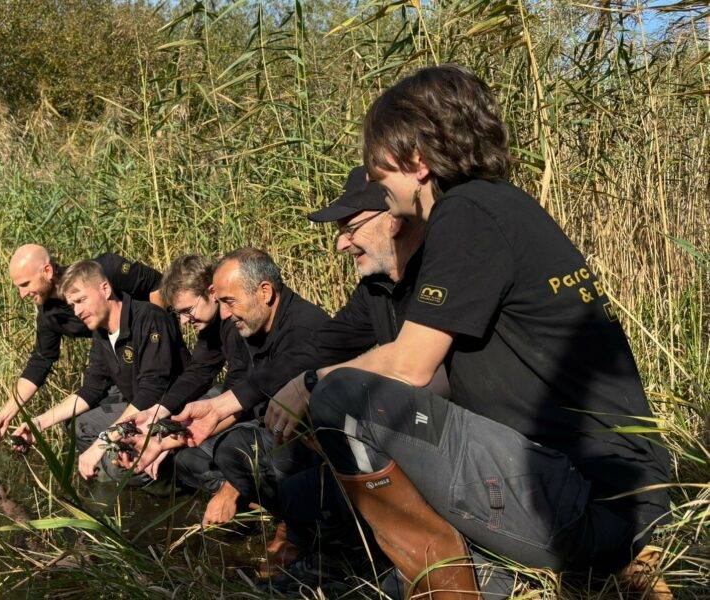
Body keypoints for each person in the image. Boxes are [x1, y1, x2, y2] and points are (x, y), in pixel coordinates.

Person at [266, 64, 672, 598]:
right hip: (613, 492)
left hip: (588, 498)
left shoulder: (468, 212)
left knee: (344, 396)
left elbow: (410, 365)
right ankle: (480, 570)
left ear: (416, 160)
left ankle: (448, 588)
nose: (377, 187)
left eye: (377, 169)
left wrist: (312, 382)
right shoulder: (500, 209)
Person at [170, 248, 329, 521]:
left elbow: (281, 403)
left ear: (264, 292)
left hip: (311, 440)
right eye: (221, 303)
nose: (225, 314)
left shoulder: (304, 330)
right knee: (186, 458)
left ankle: (299, 523)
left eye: (230, 302)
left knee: (235, 447)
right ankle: (263, 502)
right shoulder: (254, 322)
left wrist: (231, 489)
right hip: (265, 424)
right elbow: (243, 391)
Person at [10, 260, 188, 485]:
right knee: (79, 426)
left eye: (81, 300)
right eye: (72, 304)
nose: (77, 311)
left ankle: (167, 482)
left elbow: (151, 393)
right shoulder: (101, 334)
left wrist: (103, 442)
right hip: (139, 411)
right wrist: (39, 423)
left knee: (113, 470)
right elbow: (91, 389)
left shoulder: (150, 318)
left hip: (172, 412)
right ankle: (122, 467)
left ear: (105, 289)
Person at [119, 254, 253, 526]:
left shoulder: (237, 325)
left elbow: (239, 395)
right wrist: (158, 413)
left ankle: (249, 500)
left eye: (187, 311)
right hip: (241, 400)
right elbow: (198, 371)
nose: (183, 321)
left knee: (191, 455)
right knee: (183, 456)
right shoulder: (212, 326)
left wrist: (167, 441)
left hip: (267, 410)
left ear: (212, 293)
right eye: (178, 313)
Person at [0, 245, 162, 440]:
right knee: (78, 424)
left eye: (25, 284)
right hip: (118, 366)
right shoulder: (50, 316)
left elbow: (158, 284)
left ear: (48, 271)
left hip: (155, 358)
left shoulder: (104, 270)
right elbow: (39, 363)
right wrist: (5, 415)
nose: (22, 294)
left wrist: (151, 338)